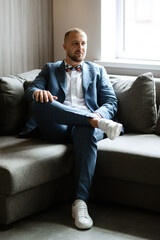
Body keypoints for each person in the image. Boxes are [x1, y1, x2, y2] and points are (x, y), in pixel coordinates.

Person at [25, 28, 122, 230]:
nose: (81, 48)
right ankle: (93, 122)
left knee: (85, 129)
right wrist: (38, 92)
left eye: (83, 43)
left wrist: (99, 116)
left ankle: (80, 203)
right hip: (57, 126)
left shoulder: (98, 71)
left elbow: (111, 102)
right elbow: (32, 88)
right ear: (65, 46)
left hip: (86, 127)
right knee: (38, 101)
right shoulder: (50, 69)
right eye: (75, 43)